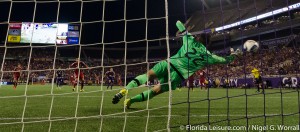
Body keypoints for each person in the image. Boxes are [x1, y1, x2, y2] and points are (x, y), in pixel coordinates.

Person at [112, 20, 239, 108]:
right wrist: (234, 55)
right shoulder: (209, 56)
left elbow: (178, 23)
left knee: (148, 75)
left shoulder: (189, 39)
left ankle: (125, 90)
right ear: (208, 44)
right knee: (155, 90)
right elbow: (225, 60)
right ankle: (130, 101)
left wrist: (186, 29)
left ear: (199, 38)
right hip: (178, 75)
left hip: (169, 63)